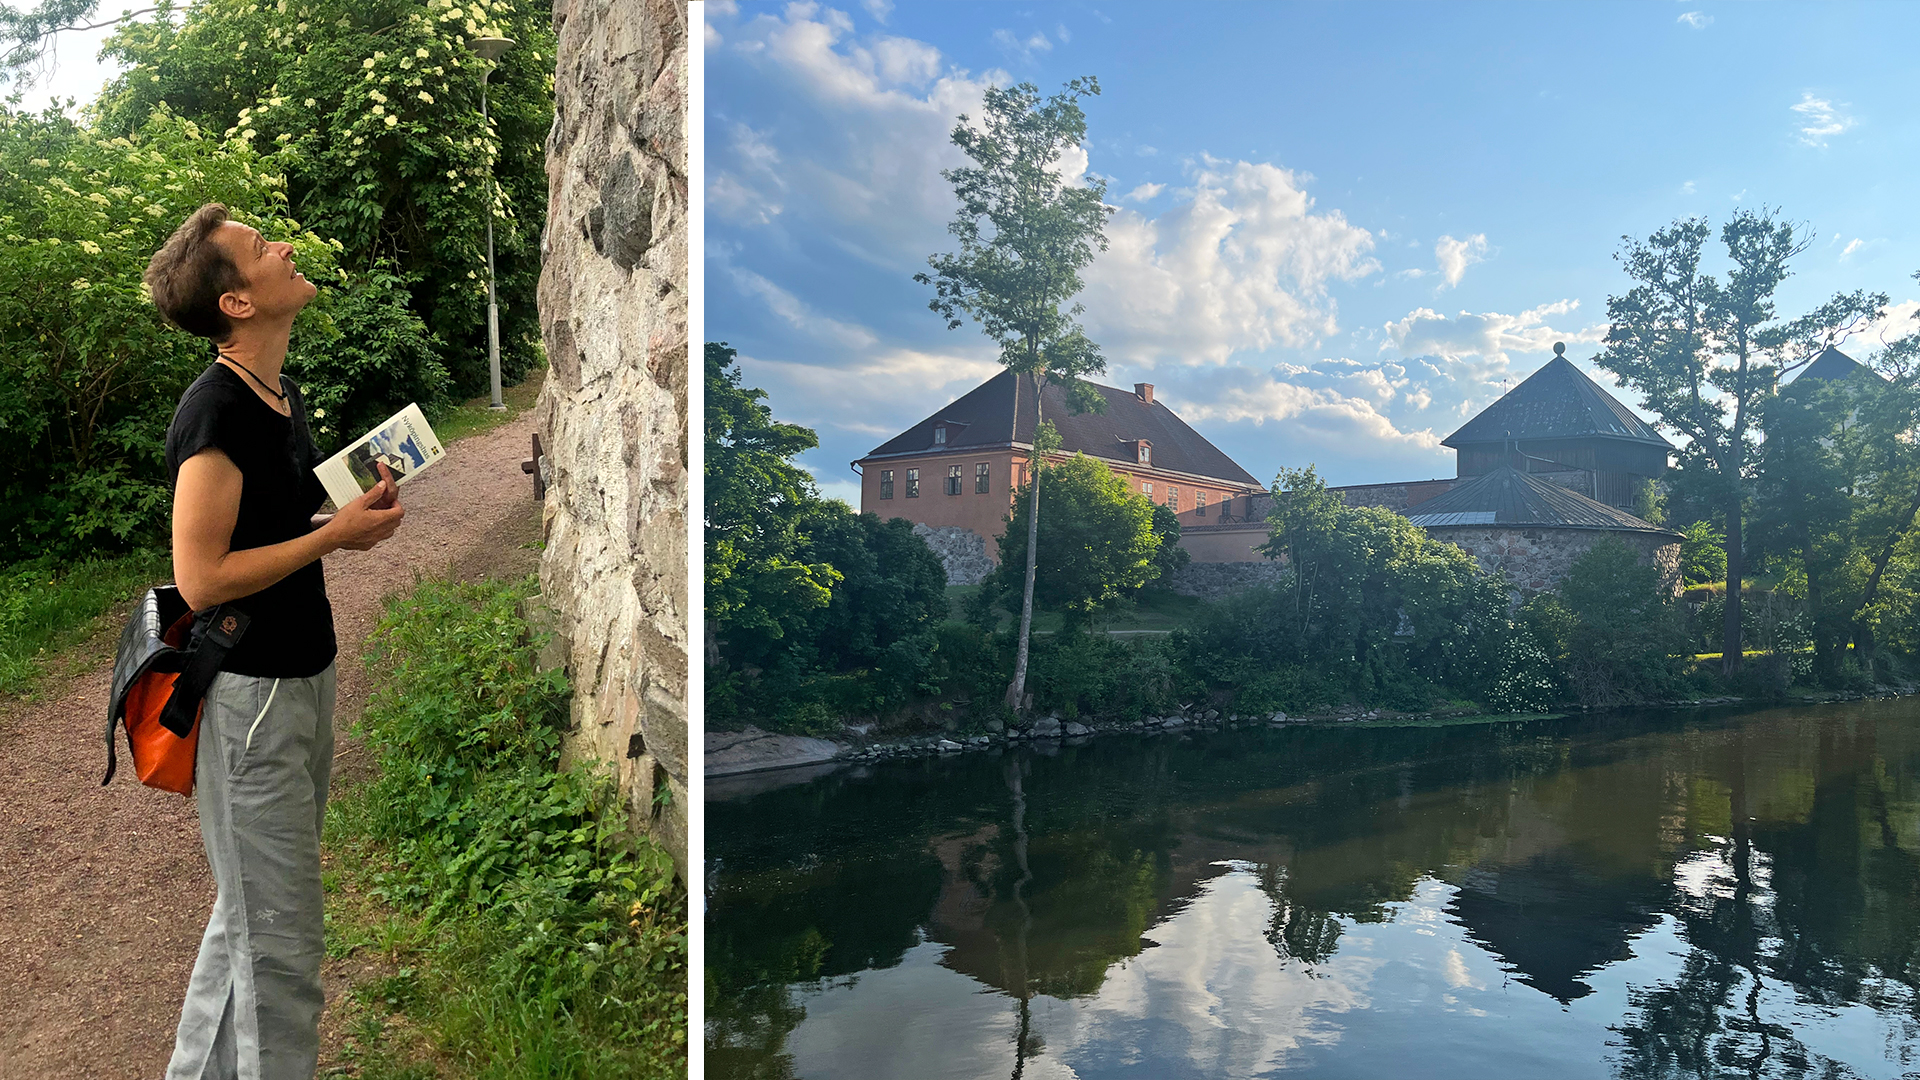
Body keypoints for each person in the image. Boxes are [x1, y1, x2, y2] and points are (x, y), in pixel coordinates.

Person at [145, 204, 405, 1079]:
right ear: (238, 305)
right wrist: (331, 540)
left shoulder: (277, 393)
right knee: (280, 948)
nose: (284, 245)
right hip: (250, 702)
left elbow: (267, 532)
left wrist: (340, 521)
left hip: (304, 682)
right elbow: (202, 579)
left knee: (251, 918)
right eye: (260, 249)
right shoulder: (216, 413)